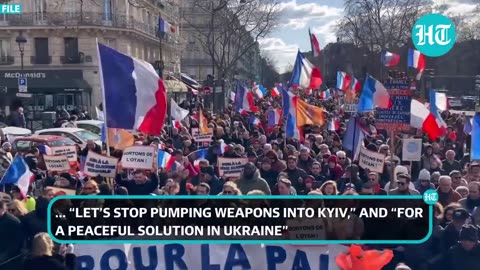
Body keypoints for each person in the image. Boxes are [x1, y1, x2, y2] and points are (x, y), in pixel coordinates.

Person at [0, 200, 25, 267]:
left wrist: (2, 258)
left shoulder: (13, 222)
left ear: (2, 209)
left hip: (7, 259)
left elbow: (15, 243)